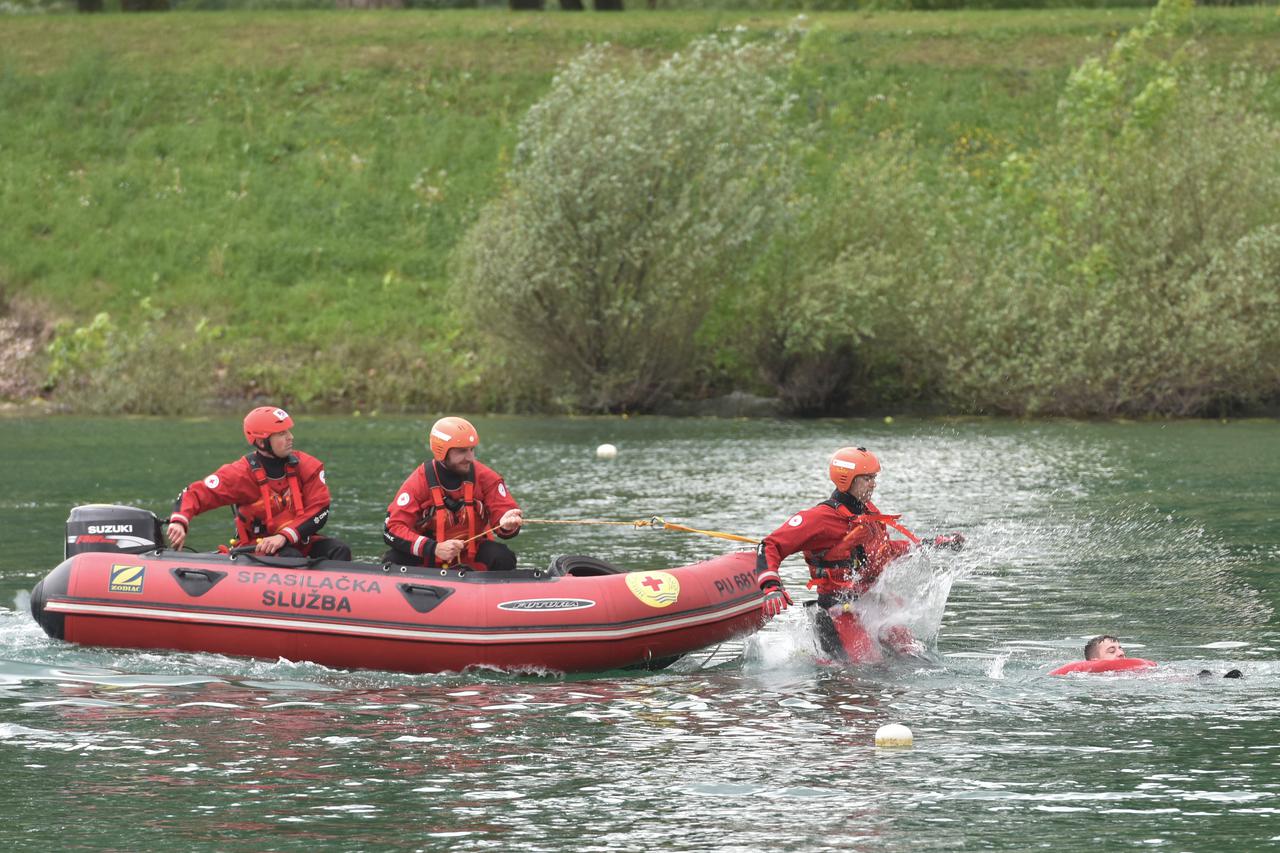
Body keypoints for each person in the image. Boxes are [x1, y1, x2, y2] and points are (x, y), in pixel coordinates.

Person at [754, 446, 964, 663]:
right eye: (867, 478)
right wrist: (771, 588)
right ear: (847, 479)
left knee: (914, 656)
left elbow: (887, 551)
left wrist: (933, 544)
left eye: (874, 477)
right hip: (838, 611)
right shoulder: (818, 519)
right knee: (867, 671)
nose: (873, 483)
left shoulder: (868, 512)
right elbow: (769, 546)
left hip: (872, 603)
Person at [166, 406, 352, 560]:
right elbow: (195, 493)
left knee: (339, 550)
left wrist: (283, 536)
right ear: (262, 442)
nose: (290, 437)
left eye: (288, 431)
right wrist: (179, 522)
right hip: (257, 548)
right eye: (281, 434)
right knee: (290, 557)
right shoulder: (241, 474)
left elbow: (320, 510)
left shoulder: (308, 466)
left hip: (297, 540)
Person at [382, 416, 523, 571]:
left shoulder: (487, 478)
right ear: (441, 451)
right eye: (462, 451)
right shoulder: (419, 482)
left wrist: (507, 523)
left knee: (503, 556)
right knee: (393, 560)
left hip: (470, 552)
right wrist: (433, 548)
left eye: (472, 450)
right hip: (429, 554)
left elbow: (504, 513)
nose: (470, 458)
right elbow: (392, 529)